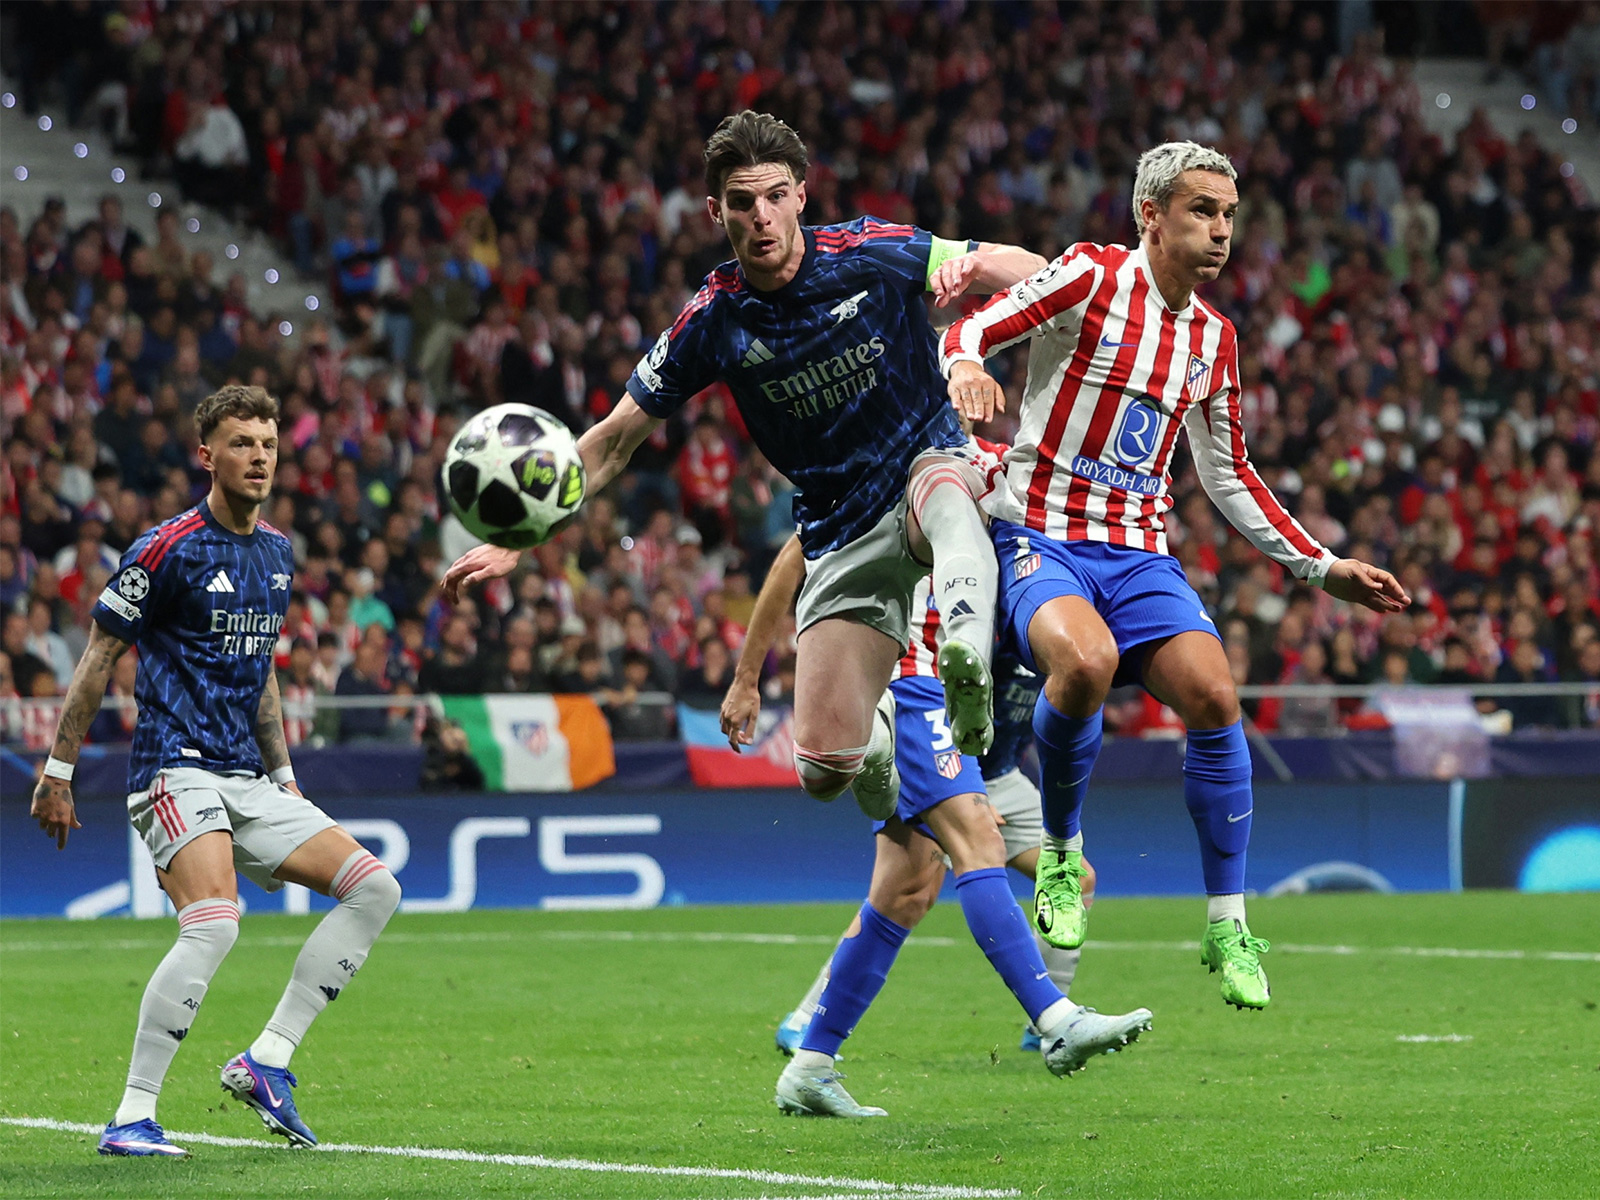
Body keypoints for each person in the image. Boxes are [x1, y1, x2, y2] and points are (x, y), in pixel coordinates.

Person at [444, 110, 1046, 821]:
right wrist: (526, 531)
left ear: (801, 196)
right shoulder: (713, 319)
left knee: (946, 484)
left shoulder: (870, 251)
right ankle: (880, 740)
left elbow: (1026, 268)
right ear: (715, 211)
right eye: (741, 202)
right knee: (824, 770)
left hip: (926, 463)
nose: (760, 217)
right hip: (839, 528)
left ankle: (965, 654)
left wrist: (1002, 273)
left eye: (774, 196)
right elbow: (612, 441)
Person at [938, 142, 1409, 1010]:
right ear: (1151, 215)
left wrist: (1321, 566)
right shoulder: (1089, 278)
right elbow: (971, 327)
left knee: (1217, 697)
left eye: (1229, 214)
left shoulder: (1214, 339)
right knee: (1085, 663)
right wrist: (967, 364)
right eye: (1202, 210)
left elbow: (1229, 474)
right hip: (1040, 532)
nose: (1221, 230)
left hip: (1139, 554)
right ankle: (1060, 854)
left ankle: (1228, 922)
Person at [28, 385, 402, 1157]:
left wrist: (284, 775)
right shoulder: (164, 548)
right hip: (173, 769)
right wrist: (58, 770)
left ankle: (268, 1059)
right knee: (216, 921)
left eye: (268, 444)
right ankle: (133, 1115)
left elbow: (260, 670)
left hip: (247, 775)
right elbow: (99, 656)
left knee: (375, 889)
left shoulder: (278, 553)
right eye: (241, 443)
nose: (258, 457)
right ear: (207, 455)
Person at [722, 537, 1151, 1117]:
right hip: (911, 677)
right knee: (979, 839)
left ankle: (810, 1064)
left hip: (924, 687)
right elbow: (790, 561)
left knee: (906, 891)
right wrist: (747, 676)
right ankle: (1056, 1021)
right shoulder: (893, 486)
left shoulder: (982, 499)